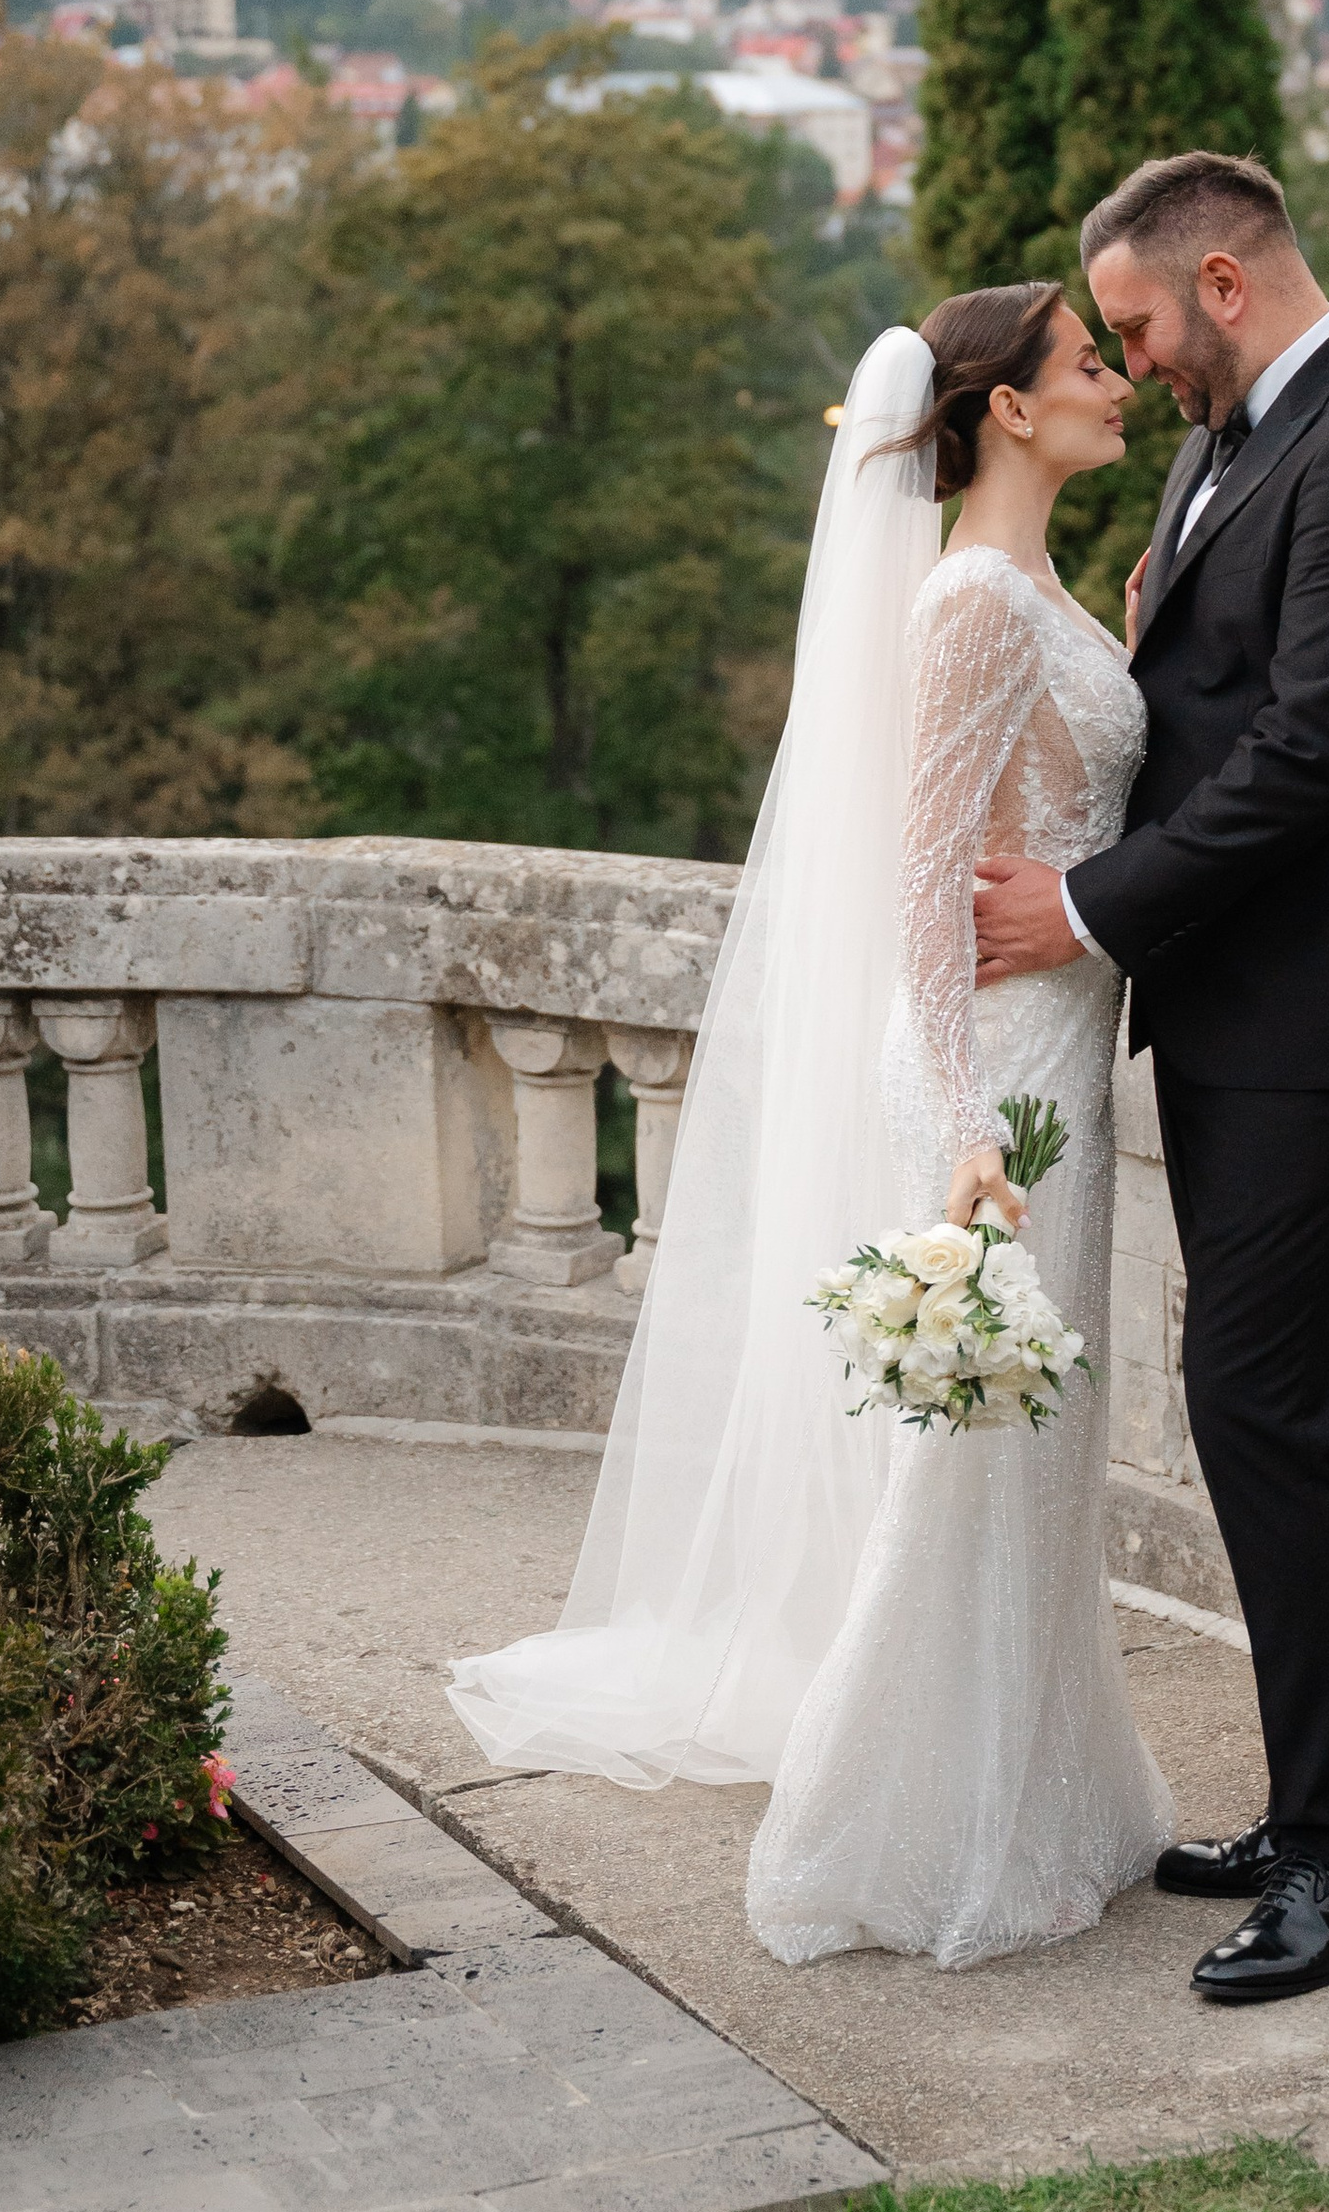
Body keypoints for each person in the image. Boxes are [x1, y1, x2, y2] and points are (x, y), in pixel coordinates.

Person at [448, 285, 1173, 1970]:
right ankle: (906, 1826)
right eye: (1088, 364)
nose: (1118, 385)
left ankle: (1049, 1789)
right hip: (999, 1070)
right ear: (1004, 408)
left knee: (1038, 1453)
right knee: (974, 1459)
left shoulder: (1038, 584)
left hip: (1054, 1043)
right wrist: (966, 1125)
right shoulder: (975, 604)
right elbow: (920, 882)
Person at [973, 151, 1329, 2005]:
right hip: (1239, 1012)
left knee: (1261, 1410)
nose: (1128, 365)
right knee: (1315, 1416)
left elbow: (1314, 760)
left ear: (1221, 279)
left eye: (1133, 326)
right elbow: (1208, 701)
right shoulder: (1237, 439)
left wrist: (1082, 909)